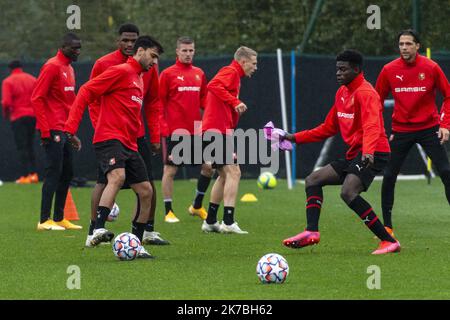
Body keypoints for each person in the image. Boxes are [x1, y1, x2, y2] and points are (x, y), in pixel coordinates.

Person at [282, 50, 401, 255]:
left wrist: (369, 152)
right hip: (356, 152)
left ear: (356, 69)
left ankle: (389, 241)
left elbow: (373, 125)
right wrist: (294, 138)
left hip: (374, 151)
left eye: (343, 69)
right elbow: (328, 128)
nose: (338, 73)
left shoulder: (366, 93)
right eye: (337, 69)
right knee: (313, 180)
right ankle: (311, 232)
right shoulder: (342, 93)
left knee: (348, 192)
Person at [64, 35, 164, 259]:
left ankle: (136, 244)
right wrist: (70, 127)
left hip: (129, 143)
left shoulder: (139, 78)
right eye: (153, 56)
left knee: (146, 191)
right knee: (116, 177)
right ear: (140, 51)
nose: (155, 62)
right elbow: (86, 91)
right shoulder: (121, 71)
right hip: (109, 137)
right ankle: (97, 229)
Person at [86, 23, 168, 247]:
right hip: (110, 135)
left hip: (135, 136)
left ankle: (144, 234)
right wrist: (100, 126)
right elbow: (91, 96)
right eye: (125, 40)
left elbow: (152, 102)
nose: (129, 44)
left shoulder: (148, 68)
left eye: (134, 40)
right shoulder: (104, 64)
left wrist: (154, 136)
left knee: (146, 185)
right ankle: (94, 230)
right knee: (105, 181)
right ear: (118, 41)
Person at [376, 29, 450, 234]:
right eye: (401, 44)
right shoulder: (388, 70)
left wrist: (445, 125)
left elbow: (448, 95)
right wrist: (380, 130)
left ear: (418, 46)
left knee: (446, 172)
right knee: (389, 175)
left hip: (429, 129)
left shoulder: (431, 67)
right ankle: (387, 227)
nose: (404, 48)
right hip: (401, 130)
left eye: (408, 44)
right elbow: (376, 102)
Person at [200, 46, 257, 234]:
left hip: (219, 130)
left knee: (224, 175)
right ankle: (228, 221)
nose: (255, 67)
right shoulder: (231, 71)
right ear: (243, 61)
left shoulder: (234, 76)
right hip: (216, 131)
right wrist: (235, 102)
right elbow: (213, 85)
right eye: (253, 63)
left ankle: (210, 221)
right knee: (234, 172)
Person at [159, 36, 214, 223]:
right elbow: (159, 103)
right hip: (174, 132)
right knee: (170, 170)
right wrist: (164, 128)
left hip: (196, 131)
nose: (188, 54)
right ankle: (168, 211)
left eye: (191, 50)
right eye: (184, 50)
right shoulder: (167, 74)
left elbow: (205, 101)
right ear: (177, 51)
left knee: (208, 167)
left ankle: (197, 206)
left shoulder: (199, 73)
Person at [31, 33, 83, 231]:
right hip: (52, 128)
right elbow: (37, 98)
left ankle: (59, 217)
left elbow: (69, 103)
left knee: (67, 172)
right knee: (54, 172)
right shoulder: (52, 66)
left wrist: (72, 132)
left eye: (79, 48)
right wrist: (45, 131)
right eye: (74, 48)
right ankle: (44, 221)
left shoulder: (69, 68)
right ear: (63, 46)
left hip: (64, 129)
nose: (77, 51)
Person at [1, 60, 38, 184]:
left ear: (10, 69)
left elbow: (6, 102)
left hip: (18, 116)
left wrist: (6, 114)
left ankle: (25, 176)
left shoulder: (8, 81)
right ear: (21, 67)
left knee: (22, 146)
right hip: (33, 116)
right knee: (30, 145)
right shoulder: (32, 79)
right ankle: (34, 175)